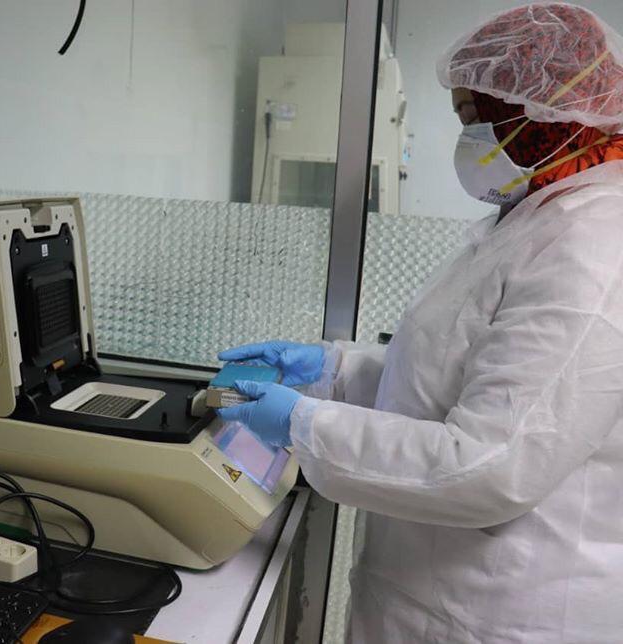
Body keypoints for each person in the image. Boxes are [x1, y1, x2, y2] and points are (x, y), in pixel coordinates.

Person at [217, 4, 623, 642]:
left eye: (474, 119)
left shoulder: (592, 247)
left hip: (501, 610)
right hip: (437, 592)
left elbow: (492, 466)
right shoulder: (537, 216)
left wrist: (304, 423)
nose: (465, 141)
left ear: (540, 115)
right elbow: (457, 376)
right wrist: (335, 371)